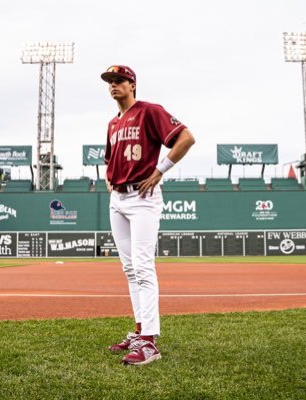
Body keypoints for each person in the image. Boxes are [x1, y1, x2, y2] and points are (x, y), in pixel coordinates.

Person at [101, 65, 195, 365]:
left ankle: (150, 342)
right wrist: (110, 185)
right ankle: (140, 332)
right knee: (130, 270)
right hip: (118, 197)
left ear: (132, 85)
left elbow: (187, 138)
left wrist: (159, 171)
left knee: (143, 267)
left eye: (120, 81)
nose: (114, 85)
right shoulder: (113, 124)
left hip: (142, 197)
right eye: (111, 82)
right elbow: (109, 159)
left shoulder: (149, 111)